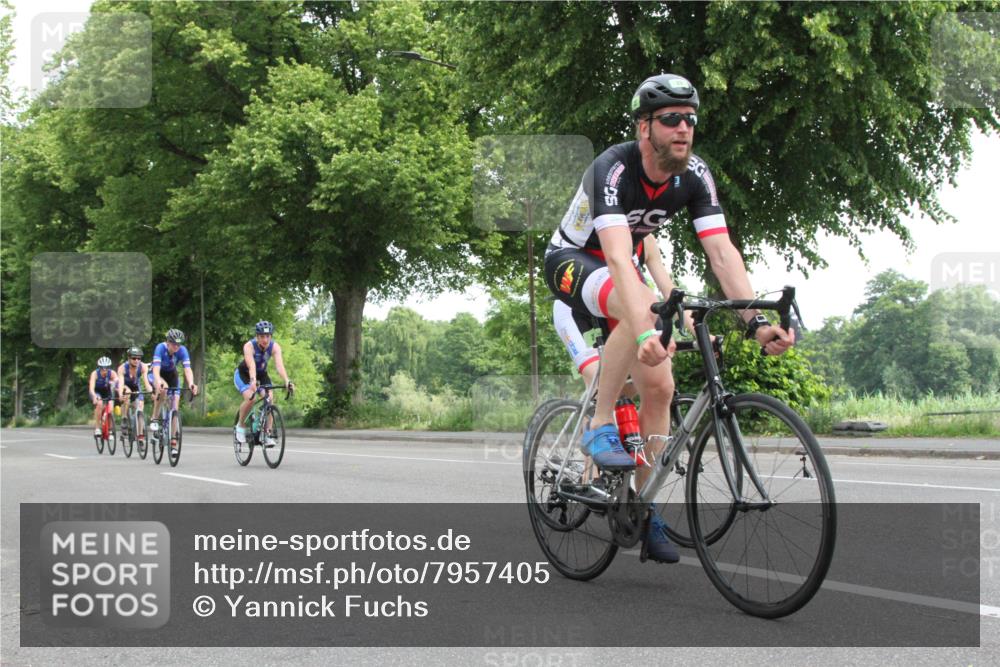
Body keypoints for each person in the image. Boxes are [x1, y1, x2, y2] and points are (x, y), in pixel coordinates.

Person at [544, 73, 795, 562]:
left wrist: (755, 323)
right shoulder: (612, 169)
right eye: (671, 119)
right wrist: (641, 329)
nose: (684, 127)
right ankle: (599, 423)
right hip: (573, 261)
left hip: (621, 274)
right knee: (631, 295)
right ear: (645, 128)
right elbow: (619, 258)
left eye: (691, 119)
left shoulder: (696, 175)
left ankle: (643, 505)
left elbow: (723, 255)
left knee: (659, 388)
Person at [233, 321, 294, 446]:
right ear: (257, 336)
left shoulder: (275, 347)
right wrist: (253, 380)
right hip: (244, 374)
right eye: (262, 336)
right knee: (251, 398)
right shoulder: (249, 346)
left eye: (268, 336)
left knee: (269, 399)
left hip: (262, 374)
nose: (265, 340)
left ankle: (266, 433)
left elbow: (279, 365)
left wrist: (287, 380)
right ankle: (240, 425)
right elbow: (251, 366)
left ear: (271, 336)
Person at [150, 329, 199, 449]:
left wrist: (192, 383)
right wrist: (158, 382)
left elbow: (187, 369)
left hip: (172, 374)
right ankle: (155, 418)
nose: (176, 346)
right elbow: (156, 370)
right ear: (167, 342)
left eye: (179, 344)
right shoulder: (160, 348)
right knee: (164, 389)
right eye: (173, 344)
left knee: (175, 404)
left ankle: (173, 439)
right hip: (157, 373)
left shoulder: (182, 350)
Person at [116, 347, 154, 442]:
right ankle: (124, 418)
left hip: (136, 387)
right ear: (128, 358)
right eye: (134, 358)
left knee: (140, 408)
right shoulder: (122, 368)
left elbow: (146, 382)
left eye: (139, 358)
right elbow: (120, 383)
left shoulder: (143, 367)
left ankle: (140, 435)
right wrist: (120, 394)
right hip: (125, 386)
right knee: (127, 393)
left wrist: (151, 391)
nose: (136, 360)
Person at [88, 356, 119, 440]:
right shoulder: (95, 374)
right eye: (102, 368)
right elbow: (91, 388)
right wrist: (94, 397)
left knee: (110, 409)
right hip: (96, 392)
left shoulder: (112, 373)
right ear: (99, 367)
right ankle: (97, 428)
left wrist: (115, 382)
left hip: (107, 392)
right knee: (100, 403)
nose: (105, 370)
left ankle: (110, 430)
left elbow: (117, 382)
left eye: (107, 368)